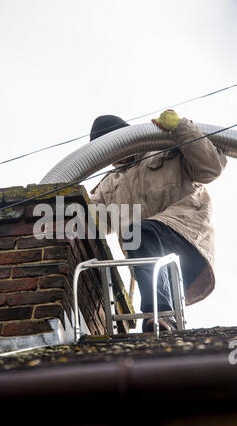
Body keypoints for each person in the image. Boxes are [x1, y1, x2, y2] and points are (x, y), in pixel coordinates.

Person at [89, 111, 227, 332]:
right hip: (152, 264)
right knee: (138, 235)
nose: (116, 155)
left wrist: (181, 128)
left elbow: (210, 168)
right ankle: (163, 319)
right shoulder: (108, 186)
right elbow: (89, 223)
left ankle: (160, 313)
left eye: (116, 144)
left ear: (126, 136)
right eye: (107, 151)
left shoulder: (166, 149)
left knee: (138, 233)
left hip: (187, 236)